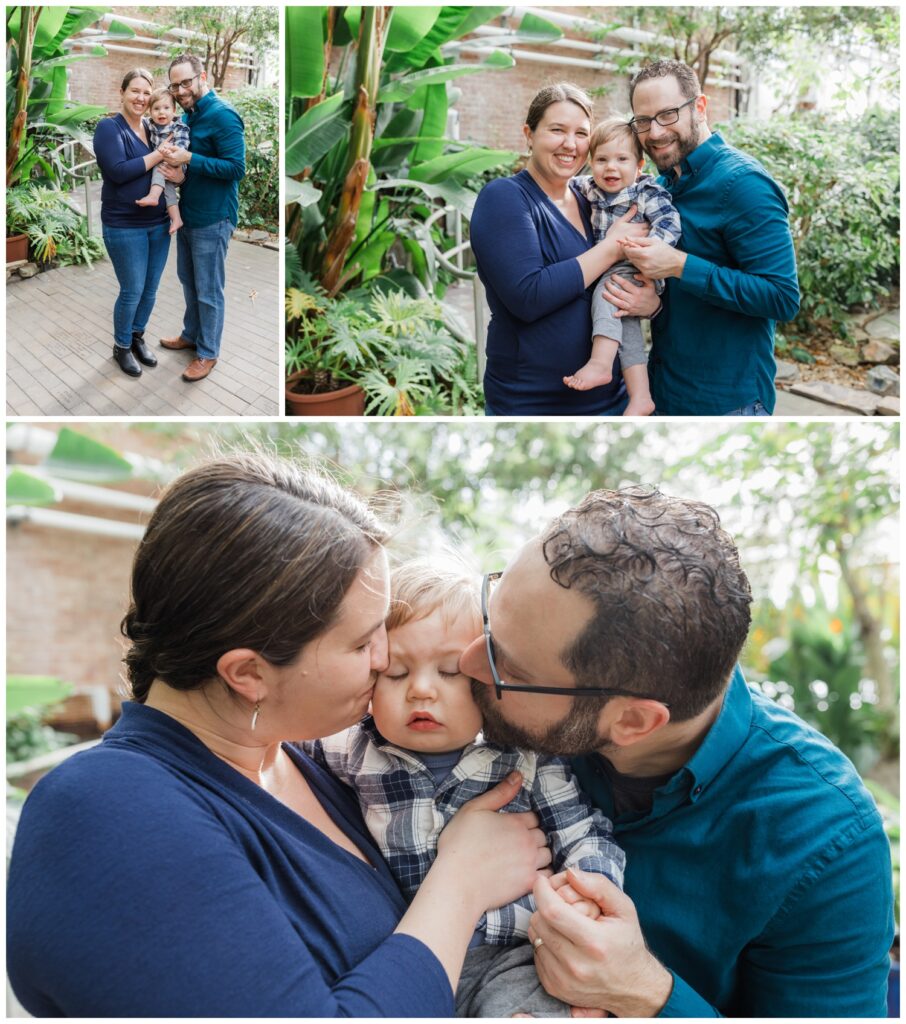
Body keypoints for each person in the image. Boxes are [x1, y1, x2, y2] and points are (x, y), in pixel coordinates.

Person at [6, 455, 551, 1017]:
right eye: (364, 643)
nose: (386, 659)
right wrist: (459, 886)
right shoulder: (107, 815)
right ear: (249, 674)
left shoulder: (318, 757)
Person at [459, 486, 894, 1017]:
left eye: (513, 670)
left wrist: (645, 992)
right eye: (490, 614)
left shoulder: (825, 839)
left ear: (633, 722)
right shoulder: (495, 700)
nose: (466, 663)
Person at [307, 559, 624, 1017]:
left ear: (487, 680)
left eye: (450, 672)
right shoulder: (352, 749)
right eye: (395, 673)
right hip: (405, 949)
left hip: (513, 954)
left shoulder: (523, 757)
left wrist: (587, 891)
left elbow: (583, 832)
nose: (420, 690)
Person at [609, 60, 800, 415]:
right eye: (643, 121)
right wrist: (655, 305)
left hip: (728, 404)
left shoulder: (744, 184)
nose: (653, 133)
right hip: (664, 392)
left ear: (699, 107)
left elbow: (782, 297)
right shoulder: (661, 187)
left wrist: (681, 266)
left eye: (667, 115)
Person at [470, 83, 650, 416]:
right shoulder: (504, 198)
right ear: (529, 133)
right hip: (531, 405)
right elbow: (527, 295)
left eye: (581, 134)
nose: (570, 144)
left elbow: (624, 279)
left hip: (612, 401)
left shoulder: (593, 200)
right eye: (557, 130)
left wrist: (649, 303)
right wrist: (612, 248)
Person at [564, 117, 681, 416]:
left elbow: (669, 222)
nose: (610, 167)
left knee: (607, 292)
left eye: (621, 159)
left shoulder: (645, 192)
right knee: (624, 323)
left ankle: (600, 363)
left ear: (639, 166)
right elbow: (564, 185)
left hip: (637, 265)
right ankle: (641, 396)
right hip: (613, 266)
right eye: (601, 159)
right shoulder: (589, 188)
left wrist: (648, 250)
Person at [157, 53, 246, 384]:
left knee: (209, 289)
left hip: (214, 217)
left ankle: (208, 352)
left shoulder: (224, 117)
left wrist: (190, 157)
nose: (180, 90)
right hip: (189, 214)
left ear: (202, 77)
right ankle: (191, 335)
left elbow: (236, 169)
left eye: (186, 82)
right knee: (188, 280)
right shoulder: (188, 117)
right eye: (175, 85)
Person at [94, 68, 178, 379]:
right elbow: (118, 171)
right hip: (123, 224)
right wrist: (158, 155)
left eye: (146, 92)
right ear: (122, 92)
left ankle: (137, 337)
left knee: (150, 290)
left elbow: (171, 166)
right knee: (132, 289)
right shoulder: (108, 128)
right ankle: (121, 346)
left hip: (157, 223)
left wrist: (177, 173)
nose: (141, 98)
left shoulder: (152, 126)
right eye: (135, 91)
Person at [135, 88, 190, 234]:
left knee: (159, 165)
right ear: (150, 111)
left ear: (174, 110)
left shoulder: (179, 127)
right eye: (156, 109)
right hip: (163, 162)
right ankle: (177, 219)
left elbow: (182, 147)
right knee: (168, 190)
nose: (161, 112)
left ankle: (153, 195)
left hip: (176, 162)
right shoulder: (149, 124)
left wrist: (168, 151)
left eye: (166, 108)